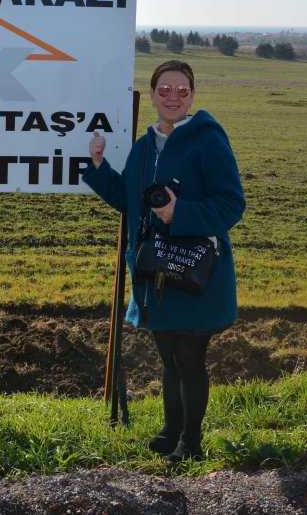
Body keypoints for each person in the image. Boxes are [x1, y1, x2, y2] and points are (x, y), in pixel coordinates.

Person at [83, 59, 245, 466]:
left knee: (189, 359)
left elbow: (232, 204)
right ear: (153, 95)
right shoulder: (143, 147)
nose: (173, 97)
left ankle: (191, 443)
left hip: (195, 274)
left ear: (192, 96)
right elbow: (128, 201)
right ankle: (171, 432)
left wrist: (179, 213)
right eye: (165, 89)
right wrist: (99, 166)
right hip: (155, 273)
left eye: (182, 90)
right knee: (169, 358)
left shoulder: (208, 140)